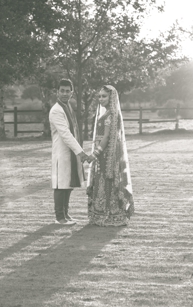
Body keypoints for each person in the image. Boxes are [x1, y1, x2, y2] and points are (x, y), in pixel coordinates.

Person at [87, 85, 134, 226]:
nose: (101, 99)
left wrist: (95, 153)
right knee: (102, 181)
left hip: (107, 154)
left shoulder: (112, 114)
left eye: (104, 96)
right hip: (103, 153)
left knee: (107, 181)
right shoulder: (108, 112)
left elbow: (107, 137)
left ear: (111, 97)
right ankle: (102, 213)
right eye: (99, 96)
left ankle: (110, 215)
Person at [49, 79, 93, 225]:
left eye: (68, 91)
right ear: (57, 92)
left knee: (67, 184)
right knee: (61, 185)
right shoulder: (56, 110)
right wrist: (81, 152)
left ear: (72, 93)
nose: (65, 93)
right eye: (62, 90)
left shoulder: (67, 108)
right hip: (62, 152)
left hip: (71, 152)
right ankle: (59, 217)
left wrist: (78, 152)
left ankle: (66, 215)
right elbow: (66, 134)